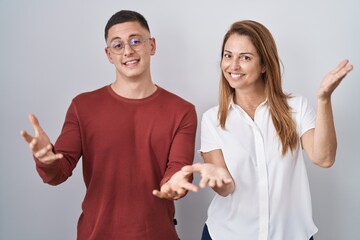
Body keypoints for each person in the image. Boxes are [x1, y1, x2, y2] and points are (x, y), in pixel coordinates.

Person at [20, 10, 197, 240]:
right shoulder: (82, 106)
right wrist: (45, 160)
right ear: (108, 54)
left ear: (151, 46)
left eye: (136, 41)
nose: (128, 51)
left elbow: (178, 168)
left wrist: (176, 183)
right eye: (117, 45)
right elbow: (58, 173)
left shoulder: (182, 111)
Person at [182, 20, 353, 240]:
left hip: (290, 234)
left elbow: (324, 158)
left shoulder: (295, 108)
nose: (233, 66)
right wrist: (216, 176)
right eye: (228, 55)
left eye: (245, 57)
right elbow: (226, 189)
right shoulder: (212, 119)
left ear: (264, 65)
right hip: (228, 234)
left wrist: (324, 99)